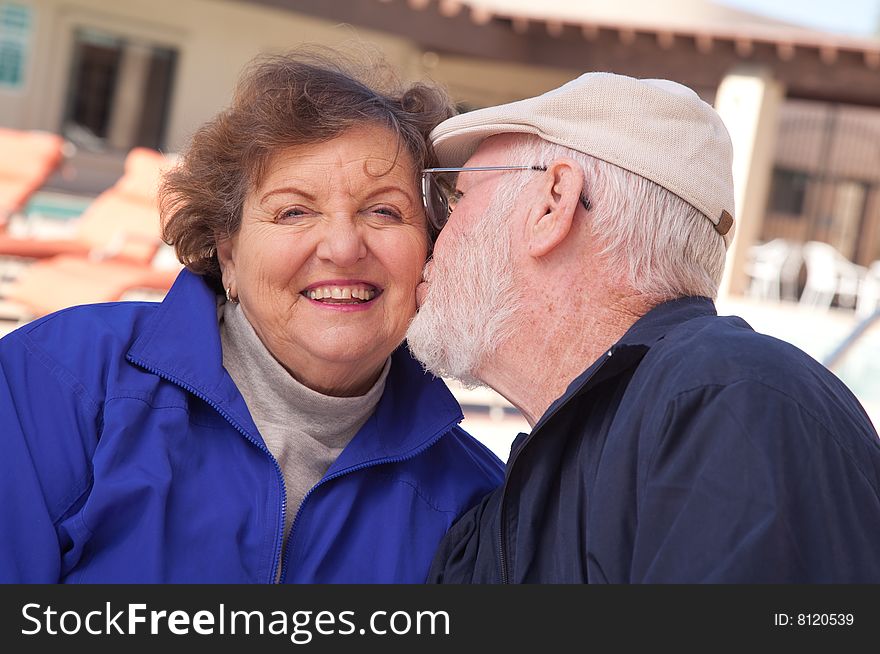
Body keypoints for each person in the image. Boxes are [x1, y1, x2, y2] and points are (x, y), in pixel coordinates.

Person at [0, 51, 503, 583]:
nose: (343, 246)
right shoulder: (57, 382)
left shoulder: (475, 503)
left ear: (430, 249)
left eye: (383, 210)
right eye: (294, 211)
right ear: (229, 254)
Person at [407, 72, 880, 583]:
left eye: (455, 199)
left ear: (553, 204)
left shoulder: (728, 400)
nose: (435, 234)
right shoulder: (514, 500)